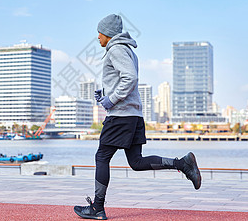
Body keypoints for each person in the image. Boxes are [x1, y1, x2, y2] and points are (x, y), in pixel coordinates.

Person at [74, 14, 202, 220]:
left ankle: (97, 208)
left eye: (99, 32)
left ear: (107, 33)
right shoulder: (128, 51)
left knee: (102, 156)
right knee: (136, 161)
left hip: (120, 116)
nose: (97, 37)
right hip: (132, 115)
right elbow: (126, 78)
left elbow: (130, 78)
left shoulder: (116, 49)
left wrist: (112, 100)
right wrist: (106, 95)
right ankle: (183, 164)